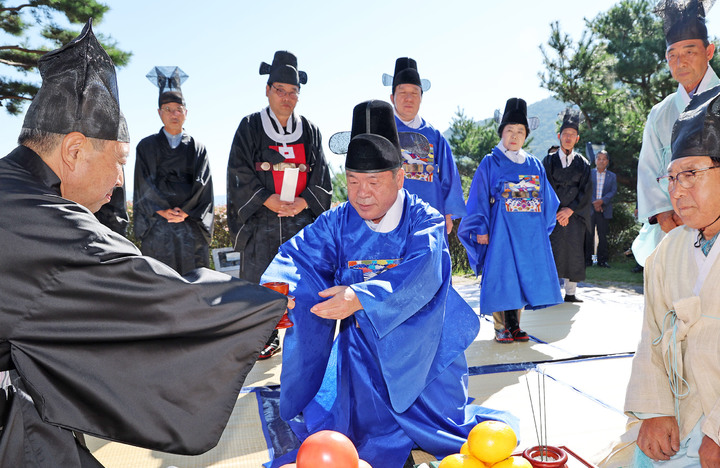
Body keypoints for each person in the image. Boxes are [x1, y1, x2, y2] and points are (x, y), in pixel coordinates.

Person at [0, 21, 287, 468]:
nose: (119, 181)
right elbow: (145, 290)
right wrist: (263, 306)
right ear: (74, 151)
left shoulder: (13, 189)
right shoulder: (45, 218)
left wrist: (188, 215)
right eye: (117, 162)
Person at [262, 100, 518, 468]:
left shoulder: (423, 219)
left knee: (449, 431)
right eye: (352, 181)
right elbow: (298, 259)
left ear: (399, 178)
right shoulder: (338, 221)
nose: (361, 193)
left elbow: (425, 269)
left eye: (373, 181)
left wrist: (359, 295)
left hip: (427, 348)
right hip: (365, 353)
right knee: (358, 433)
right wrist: (279, 289)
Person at [620, 85, 720, 468]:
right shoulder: (669, 249)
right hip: (681, 412)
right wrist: (655, 410)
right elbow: (651, 337)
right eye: (672, 178)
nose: (677, 192)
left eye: (691, 174)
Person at [227, 51, 332, 360]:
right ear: (267, 90)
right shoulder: (249, 126)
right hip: (262, 222)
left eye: (293, 92)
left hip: (300, 222)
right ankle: (264, 339)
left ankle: (307, 341)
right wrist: (267, 199)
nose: (287, 97)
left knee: (304, 282)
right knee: (262, 282)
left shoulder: (310, 131)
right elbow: (238, 172)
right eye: (280, 90)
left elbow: (322, 175)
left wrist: (303, 203)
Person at [459, 98, 562, 344]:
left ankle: (516, 324)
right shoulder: (490, 162)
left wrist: (540, 229)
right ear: (501, 133)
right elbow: (479, 197)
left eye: (520, 131)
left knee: (521, 276)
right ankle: (500, 326)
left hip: (528, 233)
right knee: (502, 275)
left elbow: (547, 199)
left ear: (526, 135)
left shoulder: (534, 164)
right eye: (509, 131)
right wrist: (481, 228)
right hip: (501, 233)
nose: (514, 136)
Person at [632, 0, 719, 267]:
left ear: (709, 51)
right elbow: (648, 170)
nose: (680, 62)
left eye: (689, 51)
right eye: (672, 55)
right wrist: (664, 214)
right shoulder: (660, 112)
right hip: (671, 226)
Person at [133, 67, 214, 275]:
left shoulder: (197, 147)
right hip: (158, 227)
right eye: (167, 109)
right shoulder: (146, 146)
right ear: (159, 113)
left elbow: (203, 186)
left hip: (190, 228)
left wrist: (185, 211)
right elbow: (143, 184)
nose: (173, 114)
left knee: (193, 284)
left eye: (178, 109)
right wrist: (162, 209)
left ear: (186, 113)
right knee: (161, 283)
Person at [385, 57, 466, 234]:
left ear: (421, 97)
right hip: (390, 216)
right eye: (402, 92)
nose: (408, 98)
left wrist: (448, 214)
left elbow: (448, 177)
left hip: (430, 214)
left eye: (414, 93)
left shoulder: (434, 135)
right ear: (392, 97)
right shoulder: (383, 132)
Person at [544, 108, 592, 303]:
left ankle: (571, 293)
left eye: (572, 135)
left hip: (574, 215)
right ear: (559, 136)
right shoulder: (548, 161)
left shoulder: (583, 163)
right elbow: (545, 187)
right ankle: (552, 293)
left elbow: (586, 190)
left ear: (577, 139)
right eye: (565, 134)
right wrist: (558, 212)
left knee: (573, 251)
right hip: (554, 216)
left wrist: (570, 210)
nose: (568, 138)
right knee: (553, 251)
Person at [585, 150, 617, 268]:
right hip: (590, 209)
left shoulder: (612, 176)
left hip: (605, 209)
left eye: (604, 159)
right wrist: (595, 203)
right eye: (599, 158)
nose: (601, 161)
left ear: (607, 161)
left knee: (603, 236)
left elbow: (613, 191)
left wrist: (602, 202)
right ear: (595, 160)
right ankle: (587, 260)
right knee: (588, 235)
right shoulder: (589, 174)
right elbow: (586, 189)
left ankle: (602, 261)